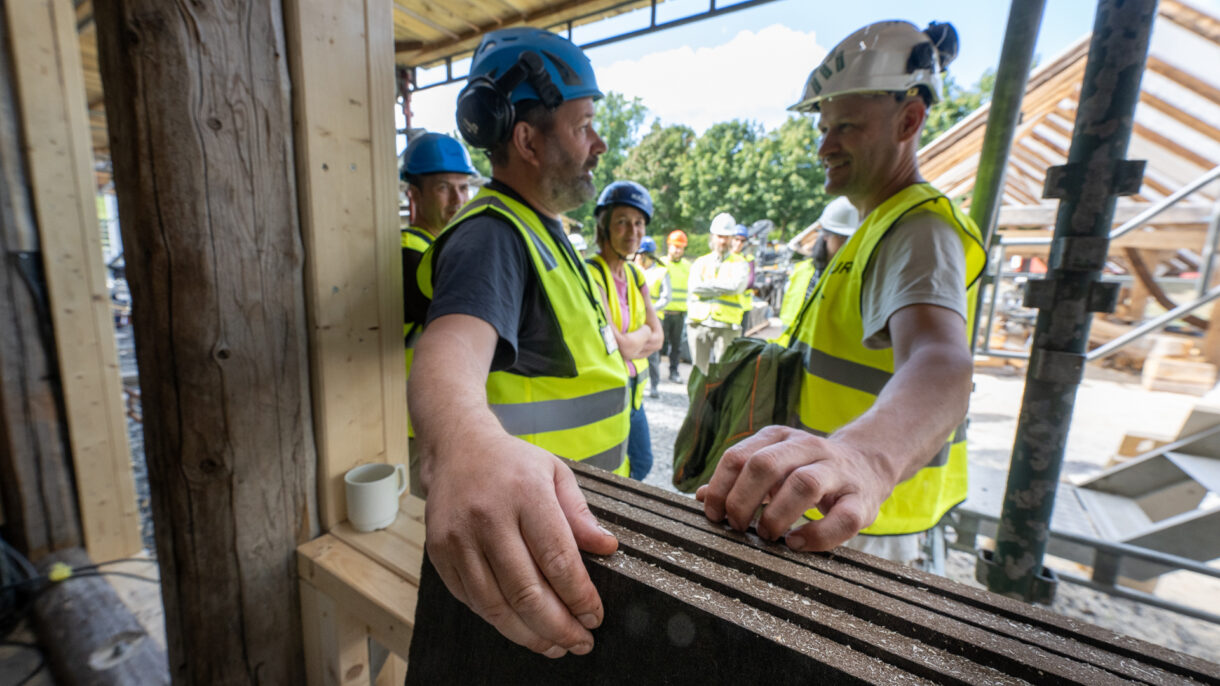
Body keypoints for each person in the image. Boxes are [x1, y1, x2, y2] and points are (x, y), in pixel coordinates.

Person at [697, 20, 986, 566]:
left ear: (909, 120)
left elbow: (942, 361)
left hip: (862, 520)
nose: (824, 145)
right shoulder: (879, 226)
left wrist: (867, 459)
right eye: (824, 127)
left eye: (846, 127)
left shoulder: (918, 228)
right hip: (834, 507)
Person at [410, 27, 625, 659]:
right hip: (532, 551)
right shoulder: (492, 237)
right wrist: (460, 444)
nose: (599, 143)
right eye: (583, 125)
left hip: (563, 531)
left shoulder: (541, 229)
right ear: (527, 140)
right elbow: (449, 350)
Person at [400, 132, 478, 495]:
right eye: (444, 188)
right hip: (417, 425)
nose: (458, 200)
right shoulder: (409, 255)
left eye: (463, 188)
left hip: (437, 418)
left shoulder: (439, 249)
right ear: (413, 194)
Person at [586, 181, 664, 480]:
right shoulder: (591, 273)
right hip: (607, 393)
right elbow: (625, 346)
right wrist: (643, 334)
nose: (633, 231)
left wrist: (635, 340)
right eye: (622, 222)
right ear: (604, 226)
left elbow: (659, 337)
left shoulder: (635, 274)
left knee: (641, 463)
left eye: (639, 223)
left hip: (634, 393)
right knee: (607, 469)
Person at [777, 196, 860, 333]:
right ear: (826, 235)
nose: (849, 244)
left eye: (854, 239)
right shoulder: (803, 271)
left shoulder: (859, 273)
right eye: (842, 238)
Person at [686, 212, 751, 374]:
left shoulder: (740, 264)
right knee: (698, 373)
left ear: (732, 239)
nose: (723, 241)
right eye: (720, 236)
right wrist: (723, 286)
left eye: (727, 237)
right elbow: (694, 287)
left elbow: (736, 287)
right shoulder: (701, 262)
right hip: (699, 323)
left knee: (724, 374)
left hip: (727, 326)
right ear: (712, 237)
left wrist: (708, 285)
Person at [636, 236, 671, 398]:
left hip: (654, 318)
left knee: (652, 354)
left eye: (639, 254)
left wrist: (649, 309)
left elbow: (666, 297)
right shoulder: (632, 269)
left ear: (645, 255)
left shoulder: (661, 272)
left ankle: (654, 385)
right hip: (635, 318)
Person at [660, 230, 690, 383]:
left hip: (679, 313)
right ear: (669, 246)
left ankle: (674, 372)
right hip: (662, 312)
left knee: (677, 346)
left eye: (680, 247)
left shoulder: (687, 266)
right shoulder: (661, 264)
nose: (677, 250)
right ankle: (655, 373)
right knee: (659, 344)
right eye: (675, 246)